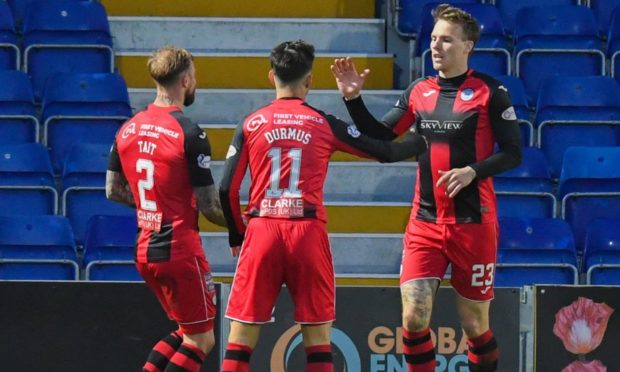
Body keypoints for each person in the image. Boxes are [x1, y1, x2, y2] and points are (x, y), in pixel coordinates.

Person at [330, 4, 521, 371]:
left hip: (474, 224)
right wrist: (353, 100)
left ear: (468, 46)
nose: (436, 46)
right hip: (426, 223)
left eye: (446, 40)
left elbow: (513, 153)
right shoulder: (419, 91)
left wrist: (472, 172)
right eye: (433, 39)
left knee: (474, 325)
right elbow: (381, 135)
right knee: (414, 319)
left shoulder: (490, 92)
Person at [218, 40, 428, 372]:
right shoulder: (322, 123)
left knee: (241, 337)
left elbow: (227, 188)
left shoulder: (251, 123)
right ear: (310, 80)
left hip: (262, 230)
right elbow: (384, 151)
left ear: (271, 76)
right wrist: (421, 140)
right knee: (317, 339)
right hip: (307, 231)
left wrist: (235, 234)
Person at [106, 46, 228, 372]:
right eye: (195, 77)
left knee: (186, 332)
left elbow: (113, 190)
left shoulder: (128, 128)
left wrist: (155, 203)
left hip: (145, 250)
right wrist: (243, 226)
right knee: (202, 340)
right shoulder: (189, 132)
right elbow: (210, 206)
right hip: (179, 251)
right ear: (186, 80)